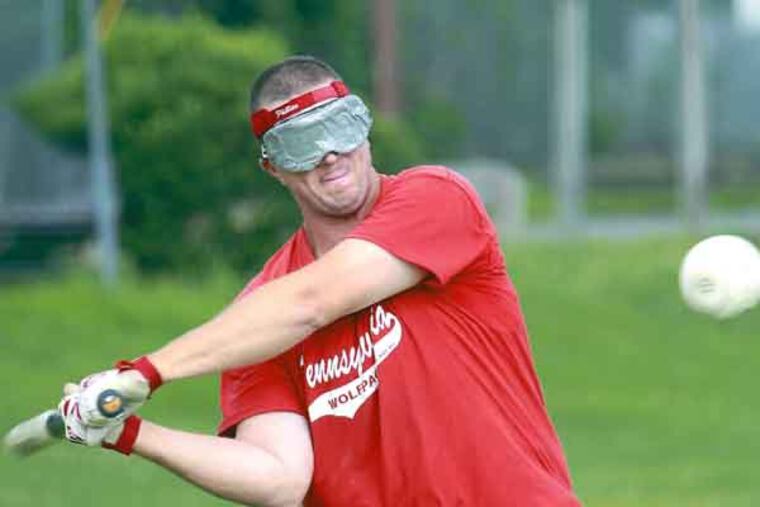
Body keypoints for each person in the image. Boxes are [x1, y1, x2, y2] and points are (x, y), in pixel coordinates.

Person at [58, 55, 582, 506]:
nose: (329, 154)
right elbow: (280, 479)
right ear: (272, 167)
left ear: (365, 125)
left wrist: (146, 374)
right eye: (301, 143)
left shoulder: (436, 200)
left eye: (339, 127)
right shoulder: (257, 321)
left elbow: (314, 302)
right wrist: (130, 431)